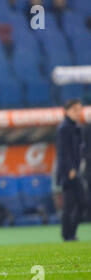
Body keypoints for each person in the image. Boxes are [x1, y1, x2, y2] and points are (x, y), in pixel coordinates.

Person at [56, 99, 86, 241]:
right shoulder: (64, 128)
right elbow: (63, 152)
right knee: (70, 204)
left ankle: (70, 233)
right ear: (67, 111)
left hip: (76, 170)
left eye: (80, 109)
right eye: (75, 110)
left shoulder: (76, 127)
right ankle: (67, 234)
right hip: (69, 172)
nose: (78, 112)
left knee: (81, 202)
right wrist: (70, 169)